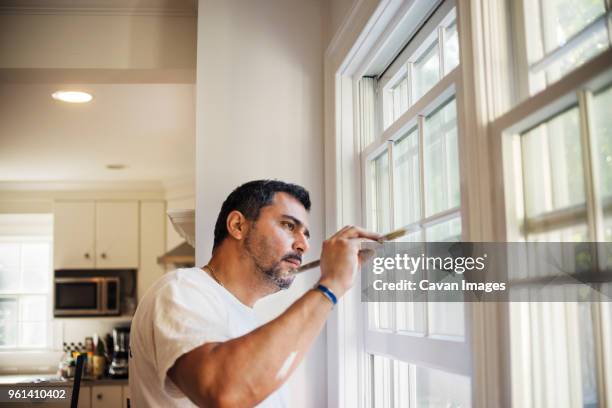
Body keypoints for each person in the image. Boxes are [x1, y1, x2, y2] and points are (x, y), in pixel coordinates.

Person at [129, 180, 380, 407]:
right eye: (288, 225)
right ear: (238, 225)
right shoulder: (180, 289)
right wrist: (330, 285)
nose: (303, 245)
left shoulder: (248, 322)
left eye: (305, 234)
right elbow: (225, 393)